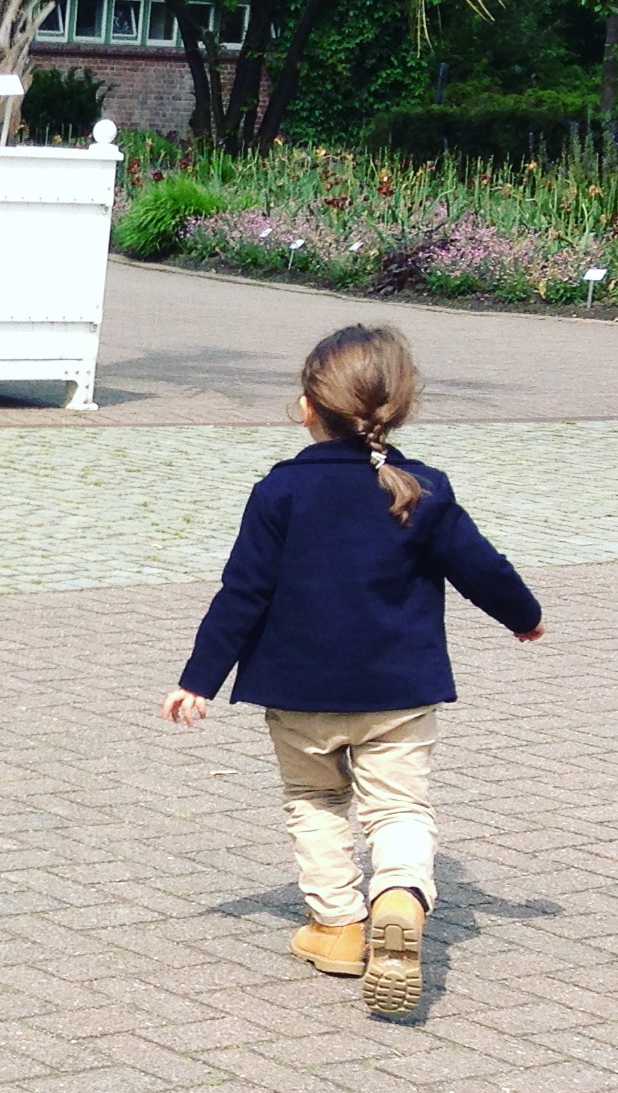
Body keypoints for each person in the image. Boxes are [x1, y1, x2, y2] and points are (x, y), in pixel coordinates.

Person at [162, 325, 544, 1018]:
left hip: (296, 692)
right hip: (397, 693)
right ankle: (397, 893)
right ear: (399, 408)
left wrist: (197, 679)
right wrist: (523, 616)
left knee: (314, 803)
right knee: (396, 808)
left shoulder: (278, 491)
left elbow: (241, 591)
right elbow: (480, 567)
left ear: (307, 406)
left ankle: (338, 928)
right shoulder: (422, 487)